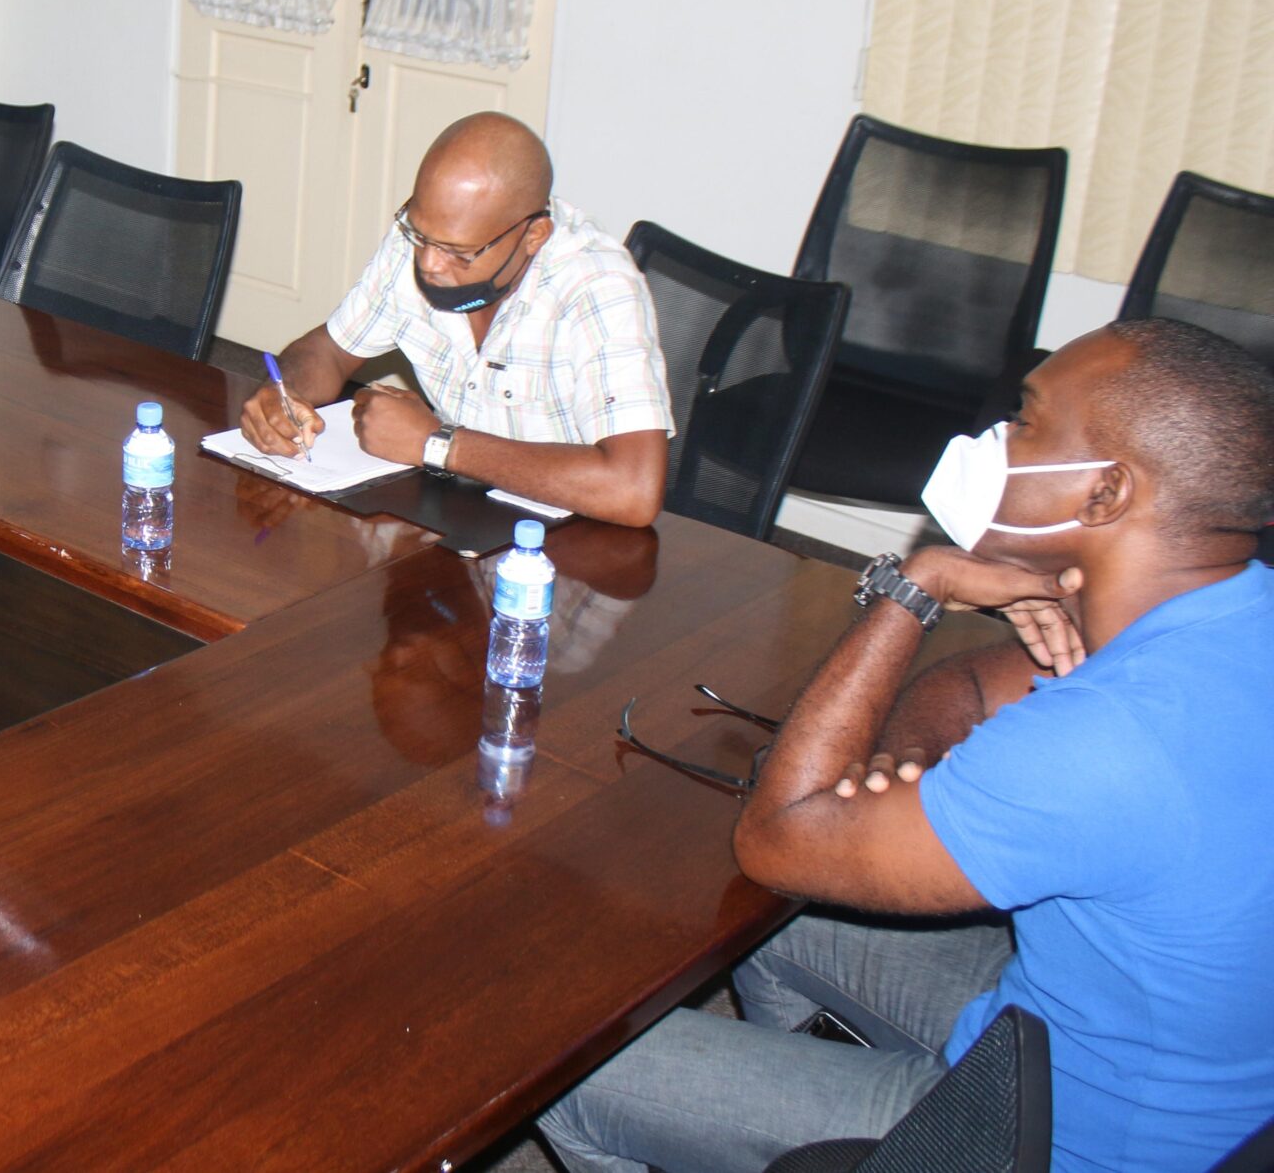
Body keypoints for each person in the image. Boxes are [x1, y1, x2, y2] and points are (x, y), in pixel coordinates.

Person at [537, 318, 1274, 1173]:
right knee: (754, 925)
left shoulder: (1101, 743)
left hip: (1046, 1145)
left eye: (1026, 421)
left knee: (564, 1064)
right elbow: (978, 684)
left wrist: (918, 583)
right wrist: (906, 758)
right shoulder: (1225, 616)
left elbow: (776, 837)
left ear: (1104, 493)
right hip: (1092, 1046)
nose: (994, 439)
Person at [238, 112, 671, 524]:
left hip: (567, 540)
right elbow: (329, 351)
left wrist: (436, 443)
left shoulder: (597, 285)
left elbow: (632, 489)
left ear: (533, 236)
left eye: (458, 252)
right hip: (456, 510)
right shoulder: (424, 241)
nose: (429, 263)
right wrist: (284, 393)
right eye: (420, 234)